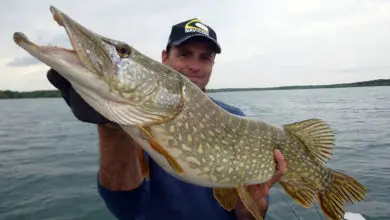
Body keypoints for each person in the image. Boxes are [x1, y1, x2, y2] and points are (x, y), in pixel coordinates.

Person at [46, 18, 287, 220]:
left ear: (212, 64)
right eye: (184, 54)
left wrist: (252, 203)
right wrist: (111, 127)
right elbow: (125, 203)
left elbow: (248, 215)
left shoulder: (235, 118)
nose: (194, 65)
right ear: (164, 57)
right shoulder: (137, 120)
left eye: (204, 57)